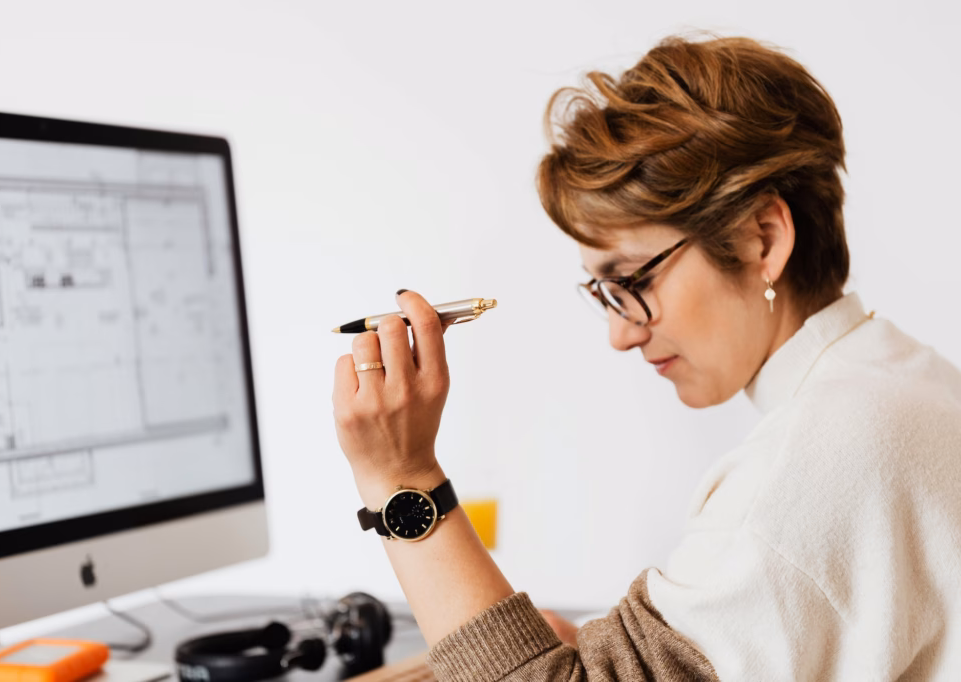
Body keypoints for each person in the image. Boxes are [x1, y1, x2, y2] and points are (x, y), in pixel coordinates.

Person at [331, 34, 961, 680]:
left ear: (761, 238)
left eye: (633, 280)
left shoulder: (820, 460)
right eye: (603, 292)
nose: (620, 335)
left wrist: (401, 476)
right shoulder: (904, 383)